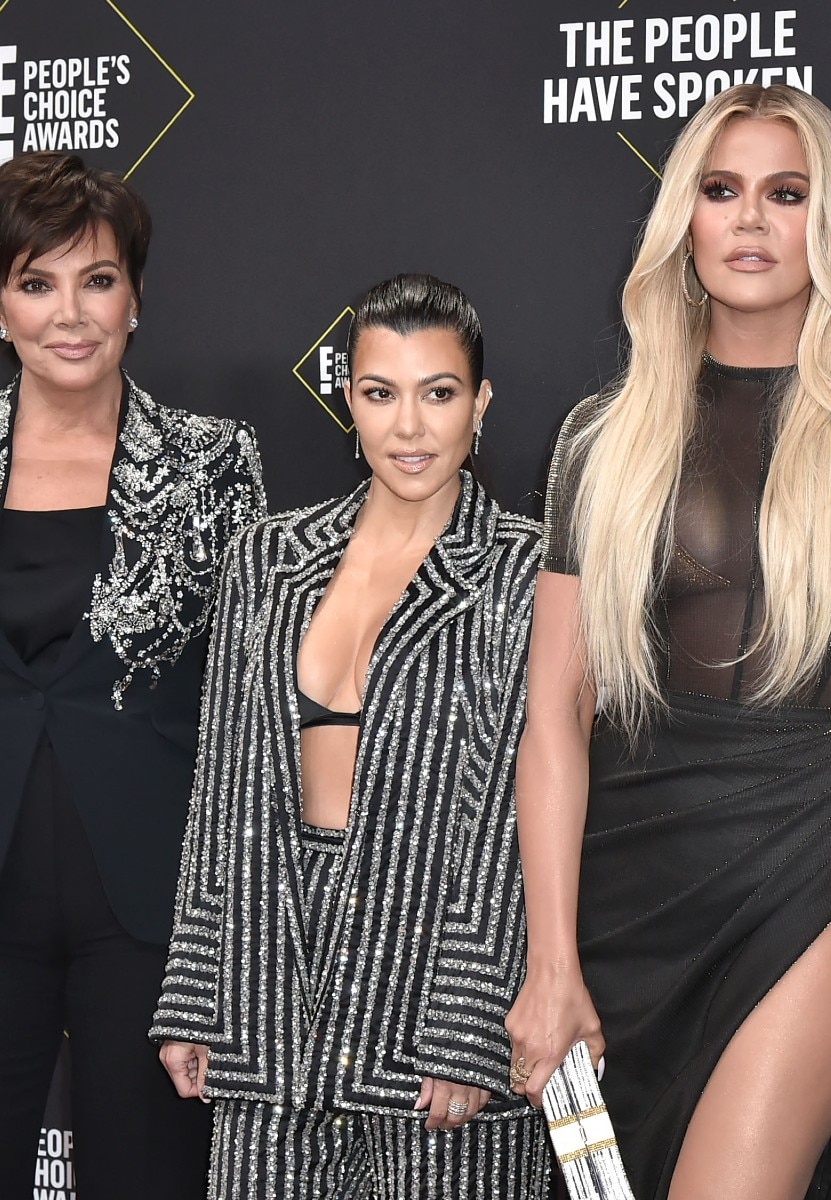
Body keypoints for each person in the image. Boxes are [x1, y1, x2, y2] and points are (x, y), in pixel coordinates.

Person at [505, 83, 831, 1200]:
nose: (752, 220)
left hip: (809, 863)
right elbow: (556, 719)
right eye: (722, 191)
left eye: (787, 193)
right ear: (685, 217)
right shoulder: (601, 437)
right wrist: (552, 962)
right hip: (628, 884)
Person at [152, 273, 550, 1199]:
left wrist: (469, 1019)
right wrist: (196, 986)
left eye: (438, 393)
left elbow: (514, 811)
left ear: (481, 402)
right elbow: (223, 783)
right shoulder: (266, 558)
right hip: (268, 976)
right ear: (349, 403)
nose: (409, 427)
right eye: (380, 393)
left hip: (434, 985)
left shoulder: (526, 568)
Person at [0, 152, 266, 1198]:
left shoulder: (213, 463)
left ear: (136, 298)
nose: (70, 314)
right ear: (2, 307)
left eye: (97, 279)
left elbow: (246, 716)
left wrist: (217, 955)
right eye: (37, 282)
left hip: (149, 917)